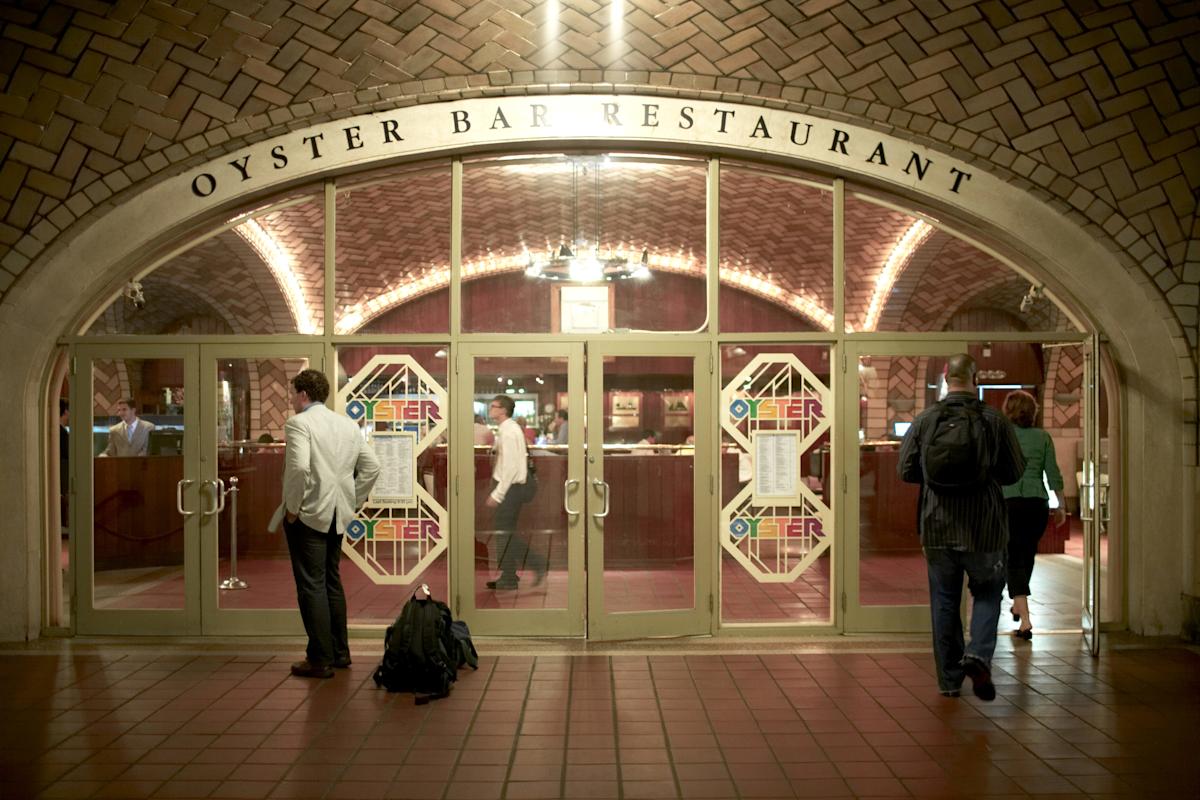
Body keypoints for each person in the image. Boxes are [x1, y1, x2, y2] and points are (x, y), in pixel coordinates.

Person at [898, 354, 1024, 701]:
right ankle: (978, 654)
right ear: (975, 376)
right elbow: (1014, 472)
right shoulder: (993, 419)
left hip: (937, 526)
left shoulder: (926, 419)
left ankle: (949, 682)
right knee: (986, 592)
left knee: (944, 601)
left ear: (945, 376)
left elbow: (906, 470)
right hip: (984, 527)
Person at [273, 369, 380, 679]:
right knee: (331, 580)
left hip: (309, 514)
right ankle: (340, 652)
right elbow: (372, 467)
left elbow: (299, 468)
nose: (292, 400)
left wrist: (293, 508)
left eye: (293, 393)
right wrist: (353, 499)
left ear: (304, 394)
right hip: (339, 515)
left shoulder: (298, 424)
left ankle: (319, 658)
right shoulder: (347, 424)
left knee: (311, 584)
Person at [1001, 390, 1066, 640]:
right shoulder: (1043, 437)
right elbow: (1053, 473)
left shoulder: (1004, 437)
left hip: (1009, 503)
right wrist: (1061, 505)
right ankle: (1018, 604)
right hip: (1036, 504)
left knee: (1013, 556)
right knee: (1026, 554)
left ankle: (1025, 619)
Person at [485, 395, 545, 590]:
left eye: (493, 406)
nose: (490, 409)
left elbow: (510, 467)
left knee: (504, 533)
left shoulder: (509, 431)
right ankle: (509, 575)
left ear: (503, 410)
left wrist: (498, 493)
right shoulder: (507, 429)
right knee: (504, 533)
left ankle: (536, 563)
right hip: (510, 488)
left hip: (510, 489)